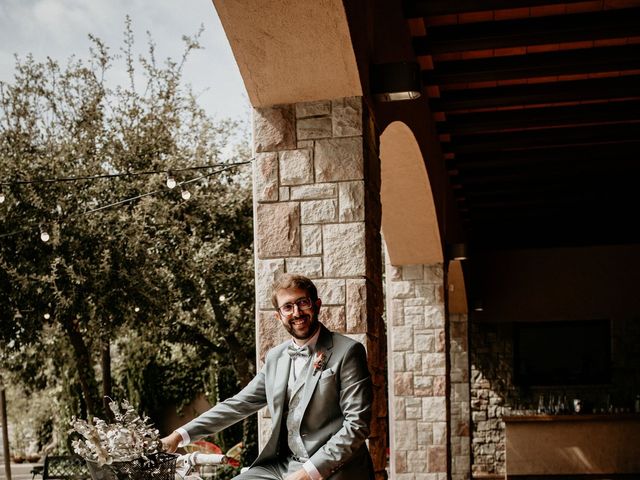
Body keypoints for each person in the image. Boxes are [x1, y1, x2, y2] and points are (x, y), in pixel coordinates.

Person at [161, 273, 374, 480]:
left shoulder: (348, 351)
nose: (297, 312)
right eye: (288, 307)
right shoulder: (276, 357)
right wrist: (179, 436)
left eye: (303, 303)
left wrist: (309, 472)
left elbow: (356, 425)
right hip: (283, 466)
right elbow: (238, 404)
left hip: (335, 469)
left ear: (316, 305)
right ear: (278, 315)